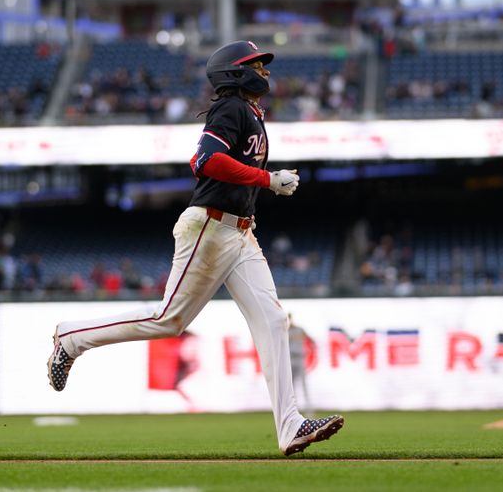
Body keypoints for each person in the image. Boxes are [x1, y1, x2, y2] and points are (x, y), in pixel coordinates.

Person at [47, 40, 344, 455]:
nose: (267, 71)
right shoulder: (232, 108)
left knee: (275, 322)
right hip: (210, 227)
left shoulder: (249, 112)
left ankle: (290, 426)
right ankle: (71, 339)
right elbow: (204, 161)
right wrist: (266, 180)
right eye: (258, 65)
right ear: (235, 72)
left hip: (240, 232)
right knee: (168, 320)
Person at [288, 312, 314, 417]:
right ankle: (294, 412)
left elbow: (311, 340)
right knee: (291, 387)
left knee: (304, 385)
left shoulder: (299, 330)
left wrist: (309, 350)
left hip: (299, 358)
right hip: (290, 359)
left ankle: (309, 411)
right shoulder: (285, 331)